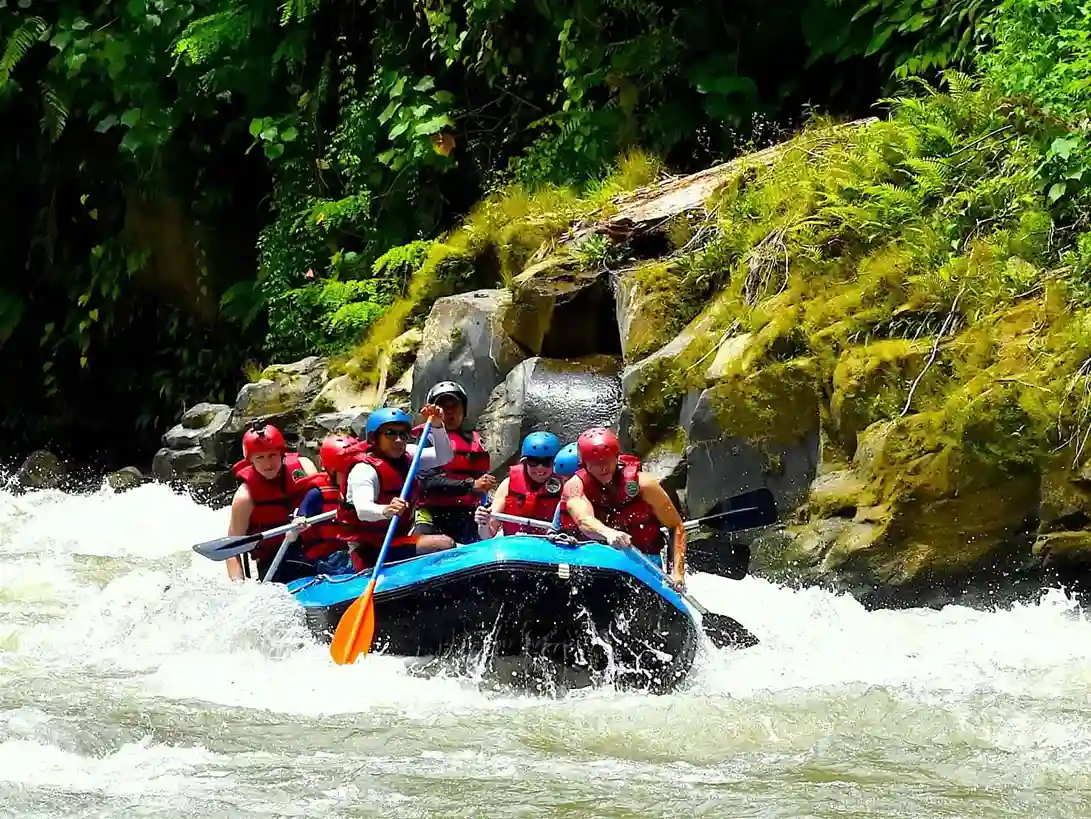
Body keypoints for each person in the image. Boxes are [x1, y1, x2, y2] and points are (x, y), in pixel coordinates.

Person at [561, 426, 688, 590]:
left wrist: (677, 573)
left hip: (646, 561)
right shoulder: (575, 487)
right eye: (595, 463)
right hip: (598, 560)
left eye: (607, 460)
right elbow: (584, 519)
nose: (603, 467)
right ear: (584, 464)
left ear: (617, 457)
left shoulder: (644, 485)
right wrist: (607, 532)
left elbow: (675, 525)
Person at [336, 405, 456, 571]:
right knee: (445, 543)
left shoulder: (409, 456)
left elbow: (444, 457)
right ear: (374, 438)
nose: (398, 440)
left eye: (403, 434)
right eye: (390, 433)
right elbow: (363, 511)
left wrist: (437, 426)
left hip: (397, 536)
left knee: (438, 531)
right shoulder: (364, 470)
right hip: (369, 549)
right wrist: (386, 510)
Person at [225, 423, 321, 582]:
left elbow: (326, 501)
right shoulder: (245, 497)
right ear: (251, 461)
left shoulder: (305, 467)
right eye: (260, 458)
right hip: (275, 563)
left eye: (272, 455)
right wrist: (239, 588)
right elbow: (232, 549)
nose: (268, 464)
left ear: (282, 454)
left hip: (313, 549)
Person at [412, 381, 496, 544]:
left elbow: (480, 479)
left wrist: (486, 483)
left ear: (464, 410)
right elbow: (427, 483)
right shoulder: (425, 440)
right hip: (433, 513)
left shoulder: (475, 440)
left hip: (467, 513)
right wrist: (471, 484)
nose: (450, 412)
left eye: (455, 406)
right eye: (443, 407)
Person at [475, 431, 563, 538]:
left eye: (547, 461)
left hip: (551, 547)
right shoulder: (507, 485)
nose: (540, 468)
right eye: (533, 461)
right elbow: (488, 536)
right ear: (524, 462)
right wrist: (483, 523)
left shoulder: (566, 486)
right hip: (515, 547)